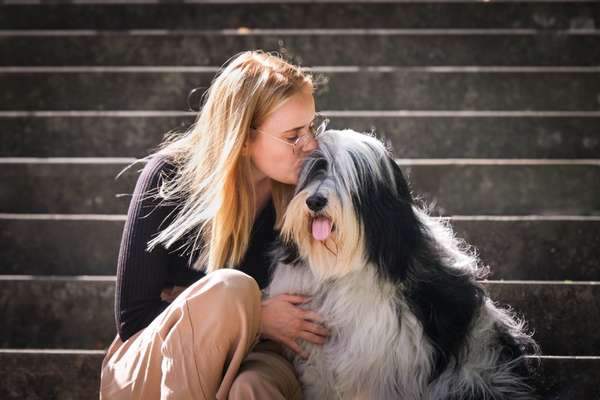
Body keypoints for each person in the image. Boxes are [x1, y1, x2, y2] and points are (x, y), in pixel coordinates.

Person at [99, 50, 332, 399]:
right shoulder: (169, 178)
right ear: (242, 138)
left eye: (311, 127)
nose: (311, 145)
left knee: (254, 386)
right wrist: (254, 315)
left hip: (254, 356)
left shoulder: (306, 195)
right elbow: (135, 316)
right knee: (230, 289)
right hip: (152, 364)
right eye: (293, 135)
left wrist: (189, 300)